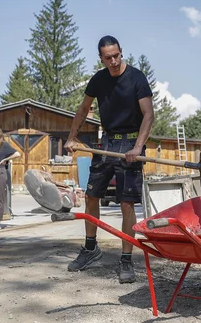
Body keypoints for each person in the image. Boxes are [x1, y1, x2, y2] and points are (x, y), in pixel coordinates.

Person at [64, 35, 154, 284]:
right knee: (92, 196)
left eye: (116, 55)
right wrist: (72, 137)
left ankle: (126, 259)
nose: (113, 61)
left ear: (121, 52)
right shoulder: (99, 79)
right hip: (107, 144)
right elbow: (83, 109)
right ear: (101, 58)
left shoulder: (136, 77)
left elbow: (148, 115)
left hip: (131, 142)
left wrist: (137, 147)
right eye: (108, 58)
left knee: (126, 204)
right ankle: (91, 249)